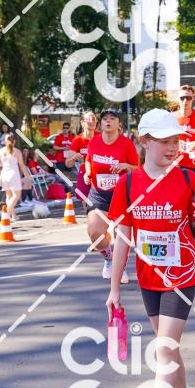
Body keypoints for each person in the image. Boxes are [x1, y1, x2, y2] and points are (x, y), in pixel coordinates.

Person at [106, 109, 195, 388]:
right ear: (144, 141)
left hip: (181, 275)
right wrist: (114, 289)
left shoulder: (188, 179)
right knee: (169, 349)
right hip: (148, 277)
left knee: (164, 349)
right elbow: (123, 238)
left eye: (175, 141)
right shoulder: (128, 184)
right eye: (164, 141)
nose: (172, 148)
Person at [84, 109, 138, 282]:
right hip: (99, 194)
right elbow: (88, 159)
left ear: (119, 124)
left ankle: (119, 268)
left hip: (121, 194)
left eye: (112, 118)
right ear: (100, 124)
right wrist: (87, 172)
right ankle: (109, 258)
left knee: (120, 236)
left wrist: (125, 166)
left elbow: (137, 168)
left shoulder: (127, 144)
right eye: (105, 119)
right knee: (95, 233)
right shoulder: (94, 142)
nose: (108, 121)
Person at [66, 111, 99, 205]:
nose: (91, 121)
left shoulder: (101, 137)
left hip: (100, 173)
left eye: (94, 119)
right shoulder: (77, 140)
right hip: (84, 173)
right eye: (88, 119)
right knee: (85, 200)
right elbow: (68, 164)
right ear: (82, 123)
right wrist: (73, 158)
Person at [0, 133, 27, 220]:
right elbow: (22, 165)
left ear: (5, 141)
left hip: (4, 174)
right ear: (14, 141)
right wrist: (28, 175)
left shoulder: (1, 151)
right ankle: (7, 213)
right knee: (16, 195)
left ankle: (13, 216)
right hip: (14, 175)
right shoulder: (17, 151)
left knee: (9, 196)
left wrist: (4, 164)